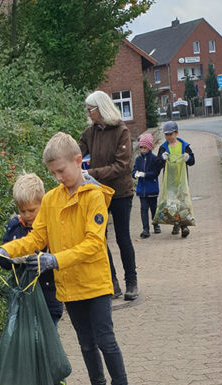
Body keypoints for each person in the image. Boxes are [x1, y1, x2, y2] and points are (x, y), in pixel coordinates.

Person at [0, 132, 129, 385]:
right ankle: (97, 382)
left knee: (105, 339)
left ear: (79, 161)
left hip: (95, 284)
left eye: (61, 171)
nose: (57, 178)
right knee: (86, 343)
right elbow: (36, 238)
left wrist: (54, 260)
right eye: (53, 173)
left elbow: (93, 243)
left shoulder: (94, 197)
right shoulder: (52, 200)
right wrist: (6, 250)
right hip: (70, 287)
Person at [78, 90, 138, 301]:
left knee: (123, 238)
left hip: (121, 192)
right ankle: (111, 282)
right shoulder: (91, 132)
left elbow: (122, 166)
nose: (88, 114)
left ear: (100, 109)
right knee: (100, 239)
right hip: (98, 193)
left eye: (90, 110)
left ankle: (131, 282)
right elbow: (77, 151)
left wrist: (91, 174)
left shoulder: (122, 131)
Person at [0, 173, 64, 326]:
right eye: (22, 211)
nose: (27, 215)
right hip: (23, 297)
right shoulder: (14, 227)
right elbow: (4, 263)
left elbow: (59, 257)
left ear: (43, 203)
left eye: (31, 210)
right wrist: (11, 258)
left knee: (48, 334)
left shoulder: (51, 226)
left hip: (49, 294)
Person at [156, 121, 195, 238]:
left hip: (182, 181)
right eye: (166, 135)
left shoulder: (184, 146)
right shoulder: (163, 148)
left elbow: (193, 161)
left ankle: (184, 226)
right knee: (172, 204)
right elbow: (158, 163)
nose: (168, 137)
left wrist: (188, 158)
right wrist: (162, 159)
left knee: (182, 204)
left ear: (176, 133)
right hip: (170, 181)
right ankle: (176, 224)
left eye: (170, 134)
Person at [132, 133, 162, 239]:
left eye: (145, 147)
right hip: (142, 189)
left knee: (154, 208)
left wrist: (145, 174)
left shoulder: (154, 159)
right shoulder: (138, 159)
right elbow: (134, 169)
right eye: (141, 147)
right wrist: (135, 174)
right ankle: (145, 229)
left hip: (152, 188)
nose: (143, 149)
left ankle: (156, 224)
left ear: (149, 147)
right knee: (143, 209)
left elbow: (155, 172)